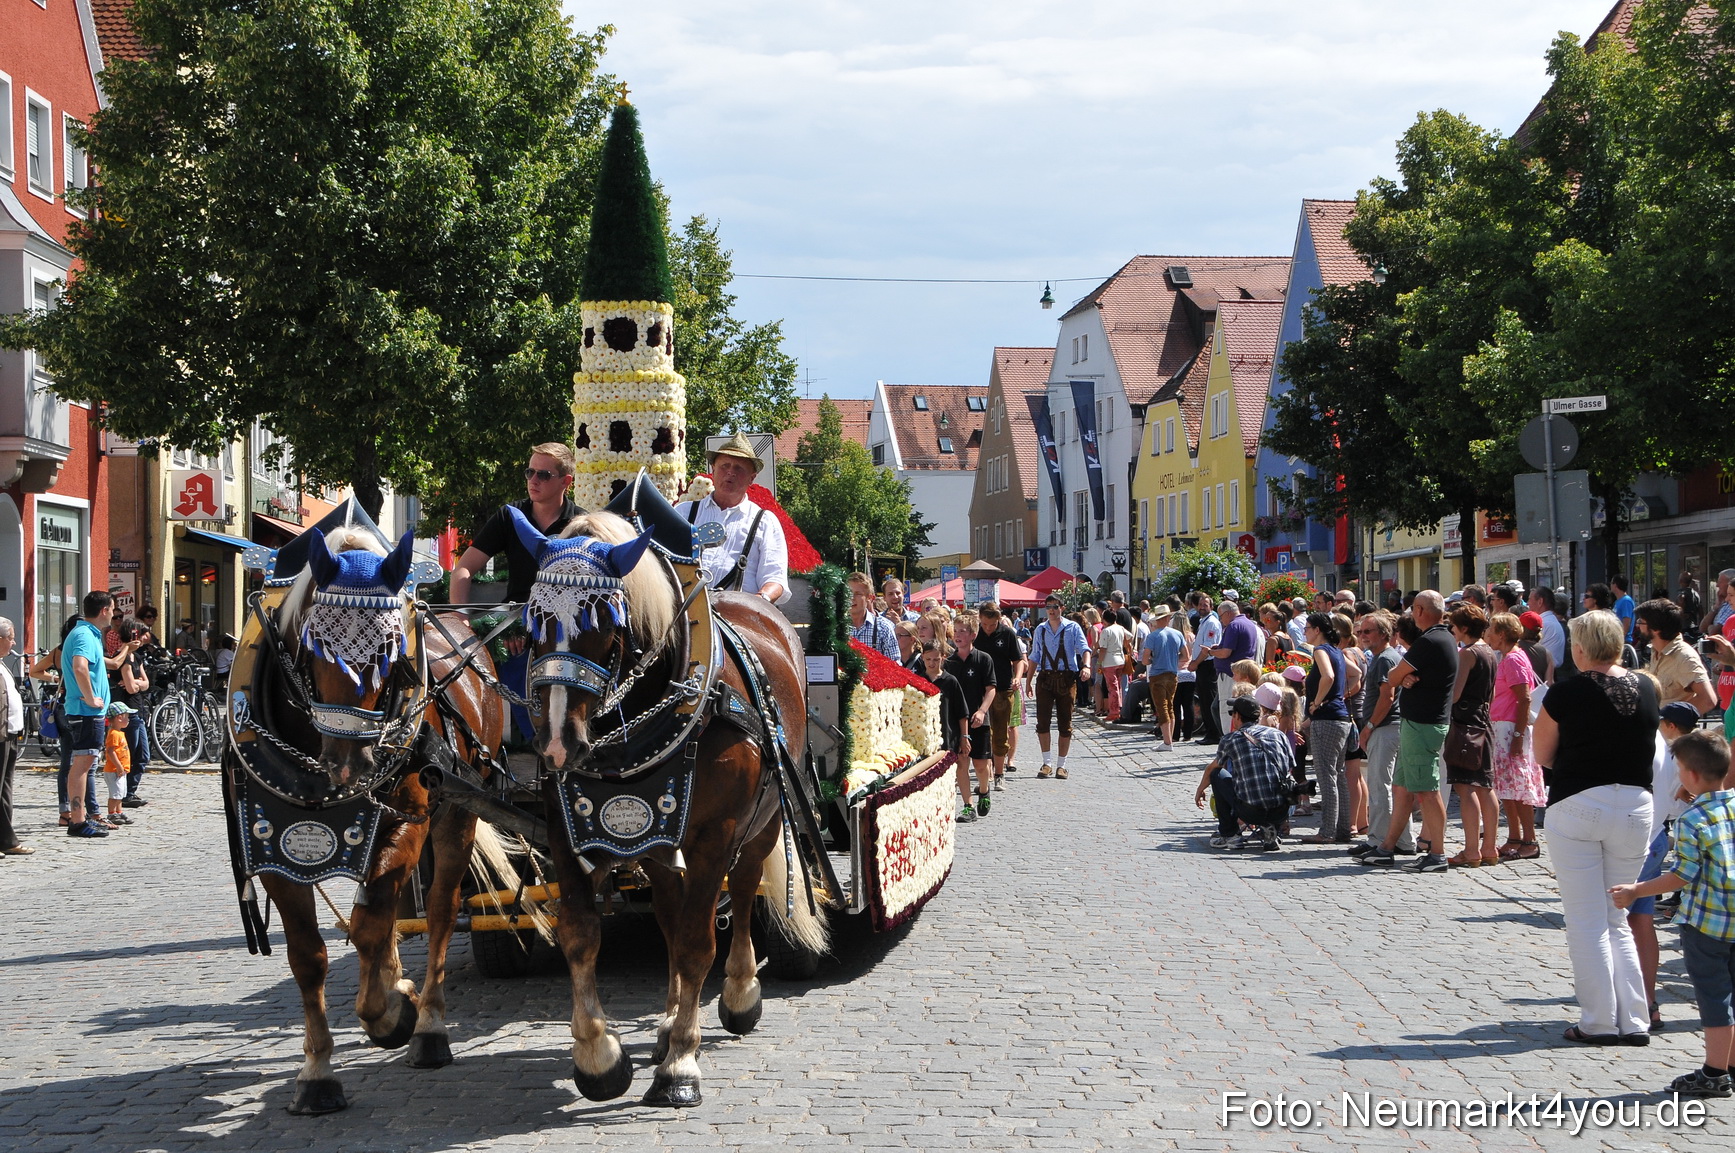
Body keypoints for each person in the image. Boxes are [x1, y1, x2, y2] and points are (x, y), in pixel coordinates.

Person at [1533, 609, 1658, 1044]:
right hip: (1636, 805)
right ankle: (1635, 1020)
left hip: (1580, 800)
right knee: (1616, 917)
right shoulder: (1647, 686)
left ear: (1581, 647)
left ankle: (1599, 1021)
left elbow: (1543, 755)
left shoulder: (1565, 692)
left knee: (1587, 920)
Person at [1611, 729, 1735, 1096]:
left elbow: (1682, 875)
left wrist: (1636, 890)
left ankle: (1714, 1073)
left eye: (1680, 769)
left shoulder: (1691, 821)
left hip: (1707, 924)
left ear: (1691, 775)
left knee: (1715, 998)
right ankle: (1731, 1063)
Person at [1357, 591, 1458, 872]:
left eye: (1415, 609)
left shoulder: (1430, 640)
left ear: (1421, 610)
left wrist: (1402, 677)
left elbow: (1392, 677)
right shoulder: (1442, 638)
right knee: (1402, 788)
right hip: (1417, 723)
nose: (1413, 614)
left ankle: (1437, 853)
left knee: (1426, 789)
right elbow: (1397, 676)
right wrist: (1403, 677)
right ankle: (1387, 847)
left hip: (1423, 724)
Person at [1624, 701, 1699, 1037]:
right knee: (1641, 921)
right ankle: (1648, 1002)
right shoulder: (1683, 758)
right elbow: (1684, 794)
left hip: (1640, 840)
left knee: (1621, 922)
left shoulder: (1656, 747)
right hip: (1656, 837)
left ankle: (1631, 1005)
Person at [451, 442, 582, 605]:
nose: (533, 480)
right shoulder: (510, 514)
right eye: (530, 472)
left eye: (543, 475)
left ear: (565, 481)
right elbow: (464, 568)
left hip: (567, 619)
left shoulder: (582, 522)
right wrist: (459, 614)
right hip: (516, 618)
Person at [675, 431, 792, 602]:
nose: (730, 472)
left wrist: (759, 602)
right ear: (713, 470)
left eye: (739, 468)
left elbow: (775, 579)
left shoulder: (765, 522)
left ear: (752, 478)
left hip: (738, 617)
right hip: (683, 611)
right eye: (724, 466)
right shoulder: (683, 512)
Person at [1194, 696, 1292, 851]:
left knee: (1217, 775)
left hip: (1250, 811)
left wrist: (1200, 789)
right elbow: (1289, 767)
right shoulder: (1278, 735)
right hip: (1281, 809)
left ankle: (1230, 834)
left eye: (1233, 713)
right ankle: (1270, 829)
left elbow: (1212, 768)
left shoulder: (1231, 739)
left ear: (1237, 717)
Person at [1351, 611, 1411, 858]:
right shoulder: (1382, 657)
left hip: (1385, 728)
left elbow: (1387, 697)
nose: (1363, 636)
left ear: (1384, 634)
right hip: (1389, 727)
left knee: (1380, 786)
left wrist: (1370, 727)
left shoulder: (1385, 658)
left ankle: (1379, 839)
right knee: (1392, 787)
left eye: (1368, 631)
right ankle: (1400, 840)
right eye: (1361, 632)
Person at [1443, 605, 1499, 868]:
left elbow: (1454, 694)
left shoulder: (1468, 653)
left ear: (1464, 628)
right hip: (1483, 720)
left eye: (1454, 625)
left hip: (1465, 723)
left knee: (1465, 787)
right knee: (1485, 787)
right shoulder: (1489, 651)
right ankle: (1489, 848)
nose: (1452, 629)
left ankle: (1471, 850)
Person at [1486, 613, 1545, 861]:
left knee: (1519, 788)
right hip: (1503, 727)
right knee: (1507, 788)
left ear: (1501, 633)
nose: (1487, 633)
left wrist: (1518, 736)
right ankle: (1514, 836)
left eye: (1491, 628)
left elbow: (1524, 699)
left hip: (1511, 729)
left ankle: (1529, 839)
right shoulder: (1507, 657)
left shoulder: (1513, 659)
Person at [62, 590, 116, 839]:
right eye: (112, 609)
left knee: (85, 764)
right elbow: (80, 666)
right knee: (82, 765)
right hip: (85, 712)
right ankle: (78, 821)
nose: (113, 614)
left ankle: (79, 818)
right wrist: (91, 697)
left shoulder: (87, 633)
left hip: (87, 711)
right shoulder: (84, 634)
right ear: (104, 610)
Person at [1298, 612, 1354, 844]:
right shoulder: (1337, 651)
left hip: (1327, 719)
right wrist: (1338, 697)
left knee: (1326, 775)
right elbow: (1357, 674)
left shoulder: (1321, 650)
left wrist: (1318, 701)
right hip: (1341, 719)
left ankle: (1328, 831)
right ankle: (1342, 829)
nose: (1305, 632)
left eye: (1308, 628)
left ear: (1317, 629)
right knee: (1338, 775)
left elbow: (1328, 677)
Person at [1031, 595, 1091, 779]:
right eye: (1048, 607)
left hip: (1066, 678)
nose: (1051, 610)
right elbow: (1034, 656)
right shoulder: (1040, 629)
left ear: (1062, 608)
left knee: (1065, 723)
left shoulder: (1073, 627)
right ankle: (1046, 763)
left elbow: (1084, 649)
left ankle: (1061, 765)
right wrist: (1027, 683)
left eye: (1055, 606)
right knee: (1042, 722)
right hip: (1045, 678)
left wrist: (1086, 666)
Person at [915, 641, 975, 823]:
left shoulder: (950, 681)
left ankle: (969, 805)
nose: (932, 663)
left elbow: (962, 713)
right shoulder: (917, 680)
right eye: (928, 659)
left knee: (960, 768)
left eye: (935, 659)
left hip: (950, 733)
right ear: (923, 658)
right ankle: (934, 808)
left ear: (943, 658)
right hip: (925, 735)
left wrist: (964, 737)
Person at [947, 613, 997, 816]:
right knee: (961, 761)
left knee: (980, 764)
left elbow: (991, 688)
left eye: (963, 631)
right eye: (955, 631)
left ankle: (984, 791)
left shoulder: (983, 659)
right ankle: (968, 806)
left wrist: (982, 710)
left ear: (973, 635)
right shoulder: (948, 661)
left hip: (979, 720)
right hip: (957, 721)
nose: (958, 635)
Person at [972, 603, 1022, 788]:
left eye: (992, 624)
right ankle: (986, 774)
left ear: (999, 619)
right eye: (984, 624)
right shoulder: (975, 633)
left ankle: (999, 773)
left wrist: (1017, 678)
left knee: (1000, 732)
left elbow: (1018, 660)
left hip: (1002, 689)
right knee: (983, 733)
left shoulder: (1007, 633)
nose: (988, 628)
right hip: (980, 691)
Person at [1635, 598, 1716, 713]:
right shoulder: (1655, 649)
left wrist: (1670, 720)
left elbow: (1708, 700)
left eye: (1641, 622)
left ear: (1656, 629)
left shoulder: (1684, 656)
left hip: (1672, 730)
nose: (1638, 625)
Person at [1208, 599, 1262, 741]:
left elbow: (1226, 653)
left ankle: (1229, 741)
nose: (1220, 620)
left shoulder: (1233, 625)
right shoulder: (1249, 624)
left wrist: (1211, 652)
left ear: (1228, 613)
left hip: (1231, 674)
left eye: (1221, 616)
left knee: (1227, 710)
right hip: (1243, 672)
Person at [113, 618, 153, 806]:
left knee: (143, 754)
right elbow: (130, 688)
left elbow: (145, 683)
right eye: (140, 633)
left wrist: (137, 683)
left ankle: (130, 791)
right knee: (129, 753)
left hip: (138, 710)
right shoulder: (123, 657)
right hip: (127, 711)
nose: (143, 638)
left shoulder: (137, 657)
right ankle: (123, 794)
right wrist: (137, 684)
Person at [0, 617, 29, 855]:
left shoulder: (3, 664)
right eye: (10, 638)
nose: (14, 642)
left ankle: (7, 841)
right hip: (0, 733)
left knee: (5, 788)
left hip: (9, 732)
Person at [1141, 605, 1185, 750]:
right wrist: (1172, 658)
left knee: (1162, 708)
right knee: (1170, 706)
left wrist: (1155, 659)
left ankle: (1167, 742)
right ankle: (1169, 739)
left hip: (1157, 675)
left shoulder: (1153, 636)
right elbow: (1186, 655)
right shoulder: (1177, 634)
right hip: (1172, 674)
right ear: (1168, 618)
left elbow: (1145, 660)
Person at [1189, 593, 1223, 745]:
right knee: (1204, 699)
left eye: (1205, 605)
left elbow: (1207, 648)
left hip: (1208, 665)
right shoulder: (1203, 621)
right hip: (1202, 665)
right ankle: (1210, 732)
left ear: (1211, 607)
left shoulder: (1212, 623)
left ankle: (1214, 733)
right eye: (1200, 604)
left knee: (1209, 699)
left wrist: (1195, 663)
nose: (1202, 607)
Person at [846, 572, 900, 661]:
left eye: (858, 594)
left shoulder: (884, 628)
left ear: (869, 598)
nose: (852, 598)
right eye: (849, 593)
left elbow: (895, 665)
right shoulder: (835, 628)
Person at [101, 703, 136, 826]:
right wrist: (119, 765)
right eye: (127, 716)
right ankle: (111, 813)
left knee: (120, 793)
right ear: (119, 718)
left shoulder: (120, 733)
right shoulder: (114, 733)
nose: (129, 719)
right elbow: (110, 751)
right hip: (114, 769)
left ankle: (119, 811)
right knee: (115, 793)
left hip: (121, 770)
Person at [1095, 609, 1131, 722]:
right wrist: (1126, 646)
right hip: (1120, 659)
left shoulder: (1106, 631)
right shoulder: (1120, 628)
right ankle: (1119, 709)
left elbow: (1103, 649)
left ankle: (1114, 711)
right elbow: (1130, 637)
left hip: (1109, 661)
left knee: (1112, 688)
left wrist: (1099, 663)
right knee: (1118, 686)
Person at [1529, 586, 1566, 672]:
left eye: (1530, 599)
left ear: (1540, 602)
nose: (1528, 604)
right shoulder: (1549, 621)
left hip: (1545, 674)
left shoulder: (1544, 623)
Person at [1611, 575, 1637, 642]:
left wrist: (1621, 638)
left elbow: (1626, 622)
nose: (1610, 585)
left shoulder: (1626, 601)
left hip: (1624, 640)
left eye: (1611, 583)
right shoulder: (1618, 601)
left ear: (1615, 585)